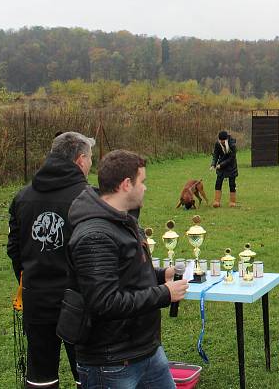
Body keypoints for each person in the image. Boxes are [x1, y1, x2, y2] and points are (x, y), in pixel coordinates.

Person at [67, 150, 188, 389]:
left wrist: (160, 275)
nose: (145, 188)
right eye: (142, 182)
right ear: (126, 184)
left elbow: (126, 273)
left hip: (146, 351)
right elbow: (104, 302)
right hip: (111, 361)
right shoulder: (95, 236)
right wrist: (165, 293)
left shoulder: (122, 220)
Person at [7, 131, 94, 389]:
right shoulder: (89, 198)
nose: (91, 163)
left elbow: (15, 250)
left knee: (40, 376)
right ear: (80, 160)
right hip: (79, 301)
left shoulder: (22, 197)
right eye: (90, 158)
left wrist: (34, 280)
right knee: (88, 373)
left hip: (37, 298)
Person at [210, 130, 238, 208]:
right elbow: (215, 155)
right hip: (221, 166)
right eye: (220, 141)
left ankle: (232, 202)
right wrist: (213, 164)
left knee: (232, 184)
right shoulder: (217, 144)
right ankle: (216, 201)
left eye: (223, 141)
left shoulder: (232, 145)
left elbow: (231, 158)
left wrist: (221, 165)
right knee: (218, 182)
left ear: (226, 139)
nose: (222, 142)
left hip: (231, 166)